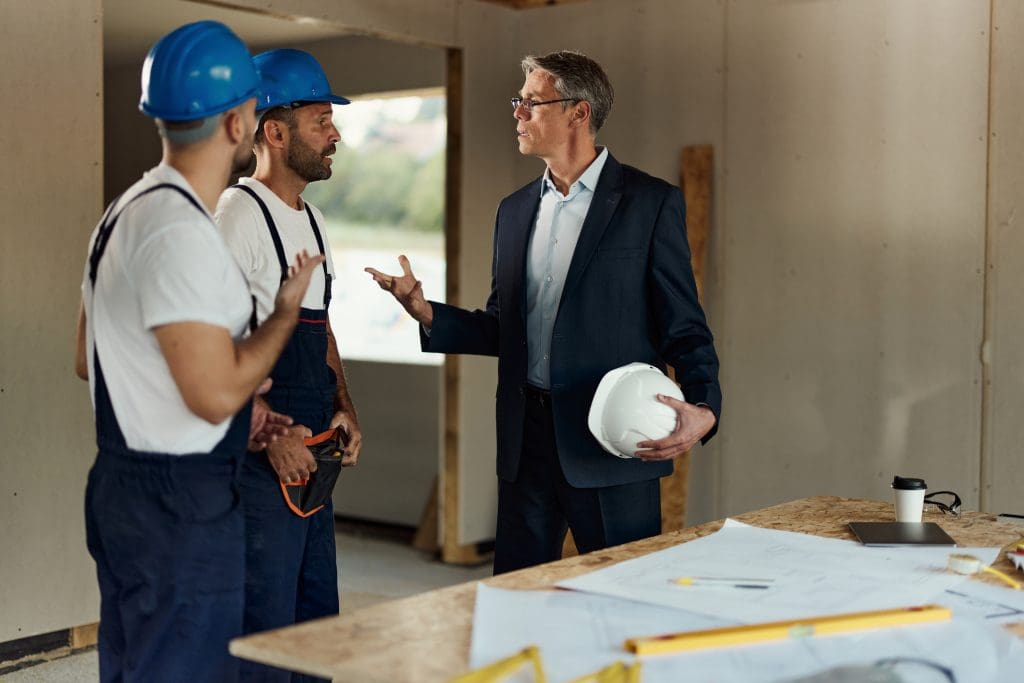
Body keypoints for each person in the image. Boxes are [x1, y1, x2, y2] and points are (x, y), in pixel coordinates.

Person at [367, 50, 721, 575]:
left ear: (579, 113)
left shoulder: (649, 204)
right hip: (525, 446)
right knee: (516, 601)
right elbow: (504, 328)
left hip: (613, 446)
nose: (517, 114)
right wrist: (425, 312)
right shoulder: (512, 212)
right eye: (519, 101)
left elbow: (684, 328)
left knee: (624, 596)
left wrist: (706, 409)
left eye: (531, 103)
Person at [74, 22, 323, 682]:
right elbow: (212, 392)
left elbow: (88, 358)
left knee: (136, 664)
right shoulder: (184, 231)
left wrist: (248, 415)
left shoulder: (124, 211)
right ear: (241, 122)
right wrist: (284, 315)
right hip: (180, 500)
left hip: (122, 485)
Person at [214, 48, 362, 681]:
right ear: (274, 131)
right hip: (258, 458)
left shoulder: (315, 221)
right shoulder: (235, 216)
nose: (335, 135)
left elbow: (320, 328)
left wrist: (344, 406)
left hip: (315, 450)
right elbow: (209, 344)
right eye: (321, 120)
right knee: (263, 629)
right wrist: (266, 431)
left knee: (314, 620)